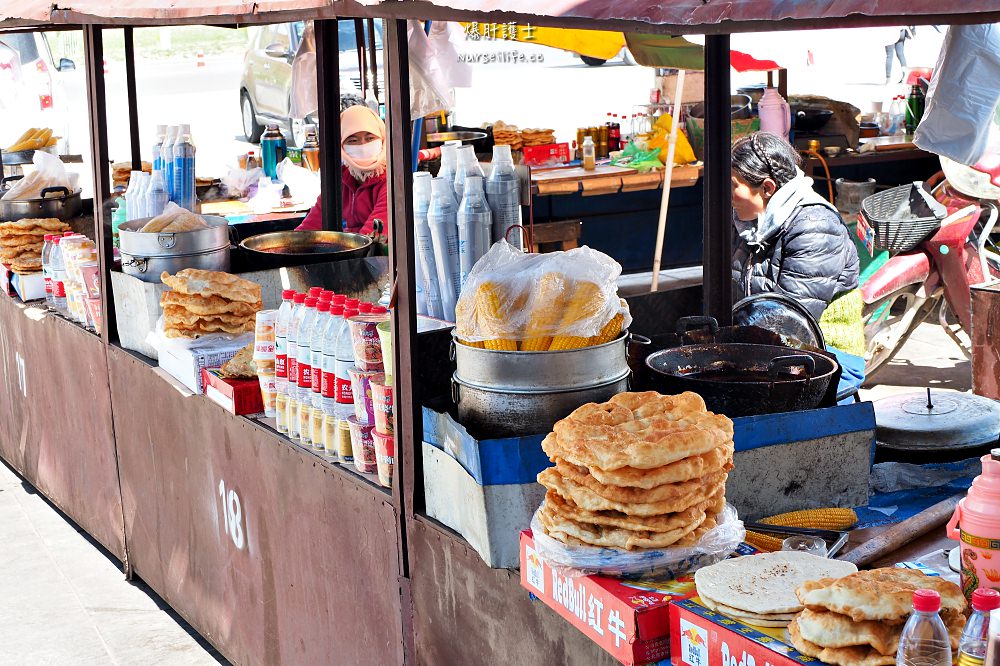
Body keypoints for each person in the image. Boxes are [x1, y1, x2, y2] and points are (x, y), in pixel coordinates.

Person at [730, 132, 865, 396]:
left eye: (733, 185)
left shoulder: (815, 225)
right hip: (769, 347)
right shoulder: (747, 221)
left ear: (767, 188)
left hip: (827, 357)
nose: (728, 196)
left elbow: (790, 323)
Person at [296, 103, 387, 234]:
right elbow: (311, 226)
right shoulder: (340, 180)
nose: (362, 145)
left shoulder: (390, 180)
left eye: (370, 138)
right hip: (349, 249)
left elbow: (374, 232)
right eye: (353, 140)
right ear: (341, 145)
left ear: (382, 139)